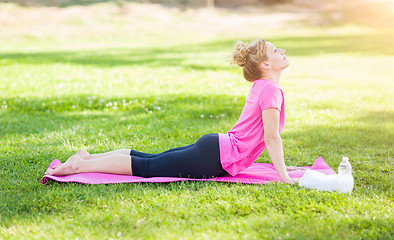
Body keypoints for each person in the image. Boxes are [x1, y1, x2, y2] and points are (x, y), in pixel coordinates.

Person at [46, 39, 303, 184]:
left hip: (216, 147)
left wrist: (284, 169)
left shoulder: (262, 86)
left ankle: (88, 158)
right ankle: (78, 166)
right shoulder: (271, 90)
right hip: (217, 156)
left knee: (150, 160)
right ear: (266, 64)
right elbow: (271, 137)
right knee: (147, 167)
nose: (283, 50)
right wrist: (283, 176)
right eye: (276, 50)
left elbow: (264, 136)